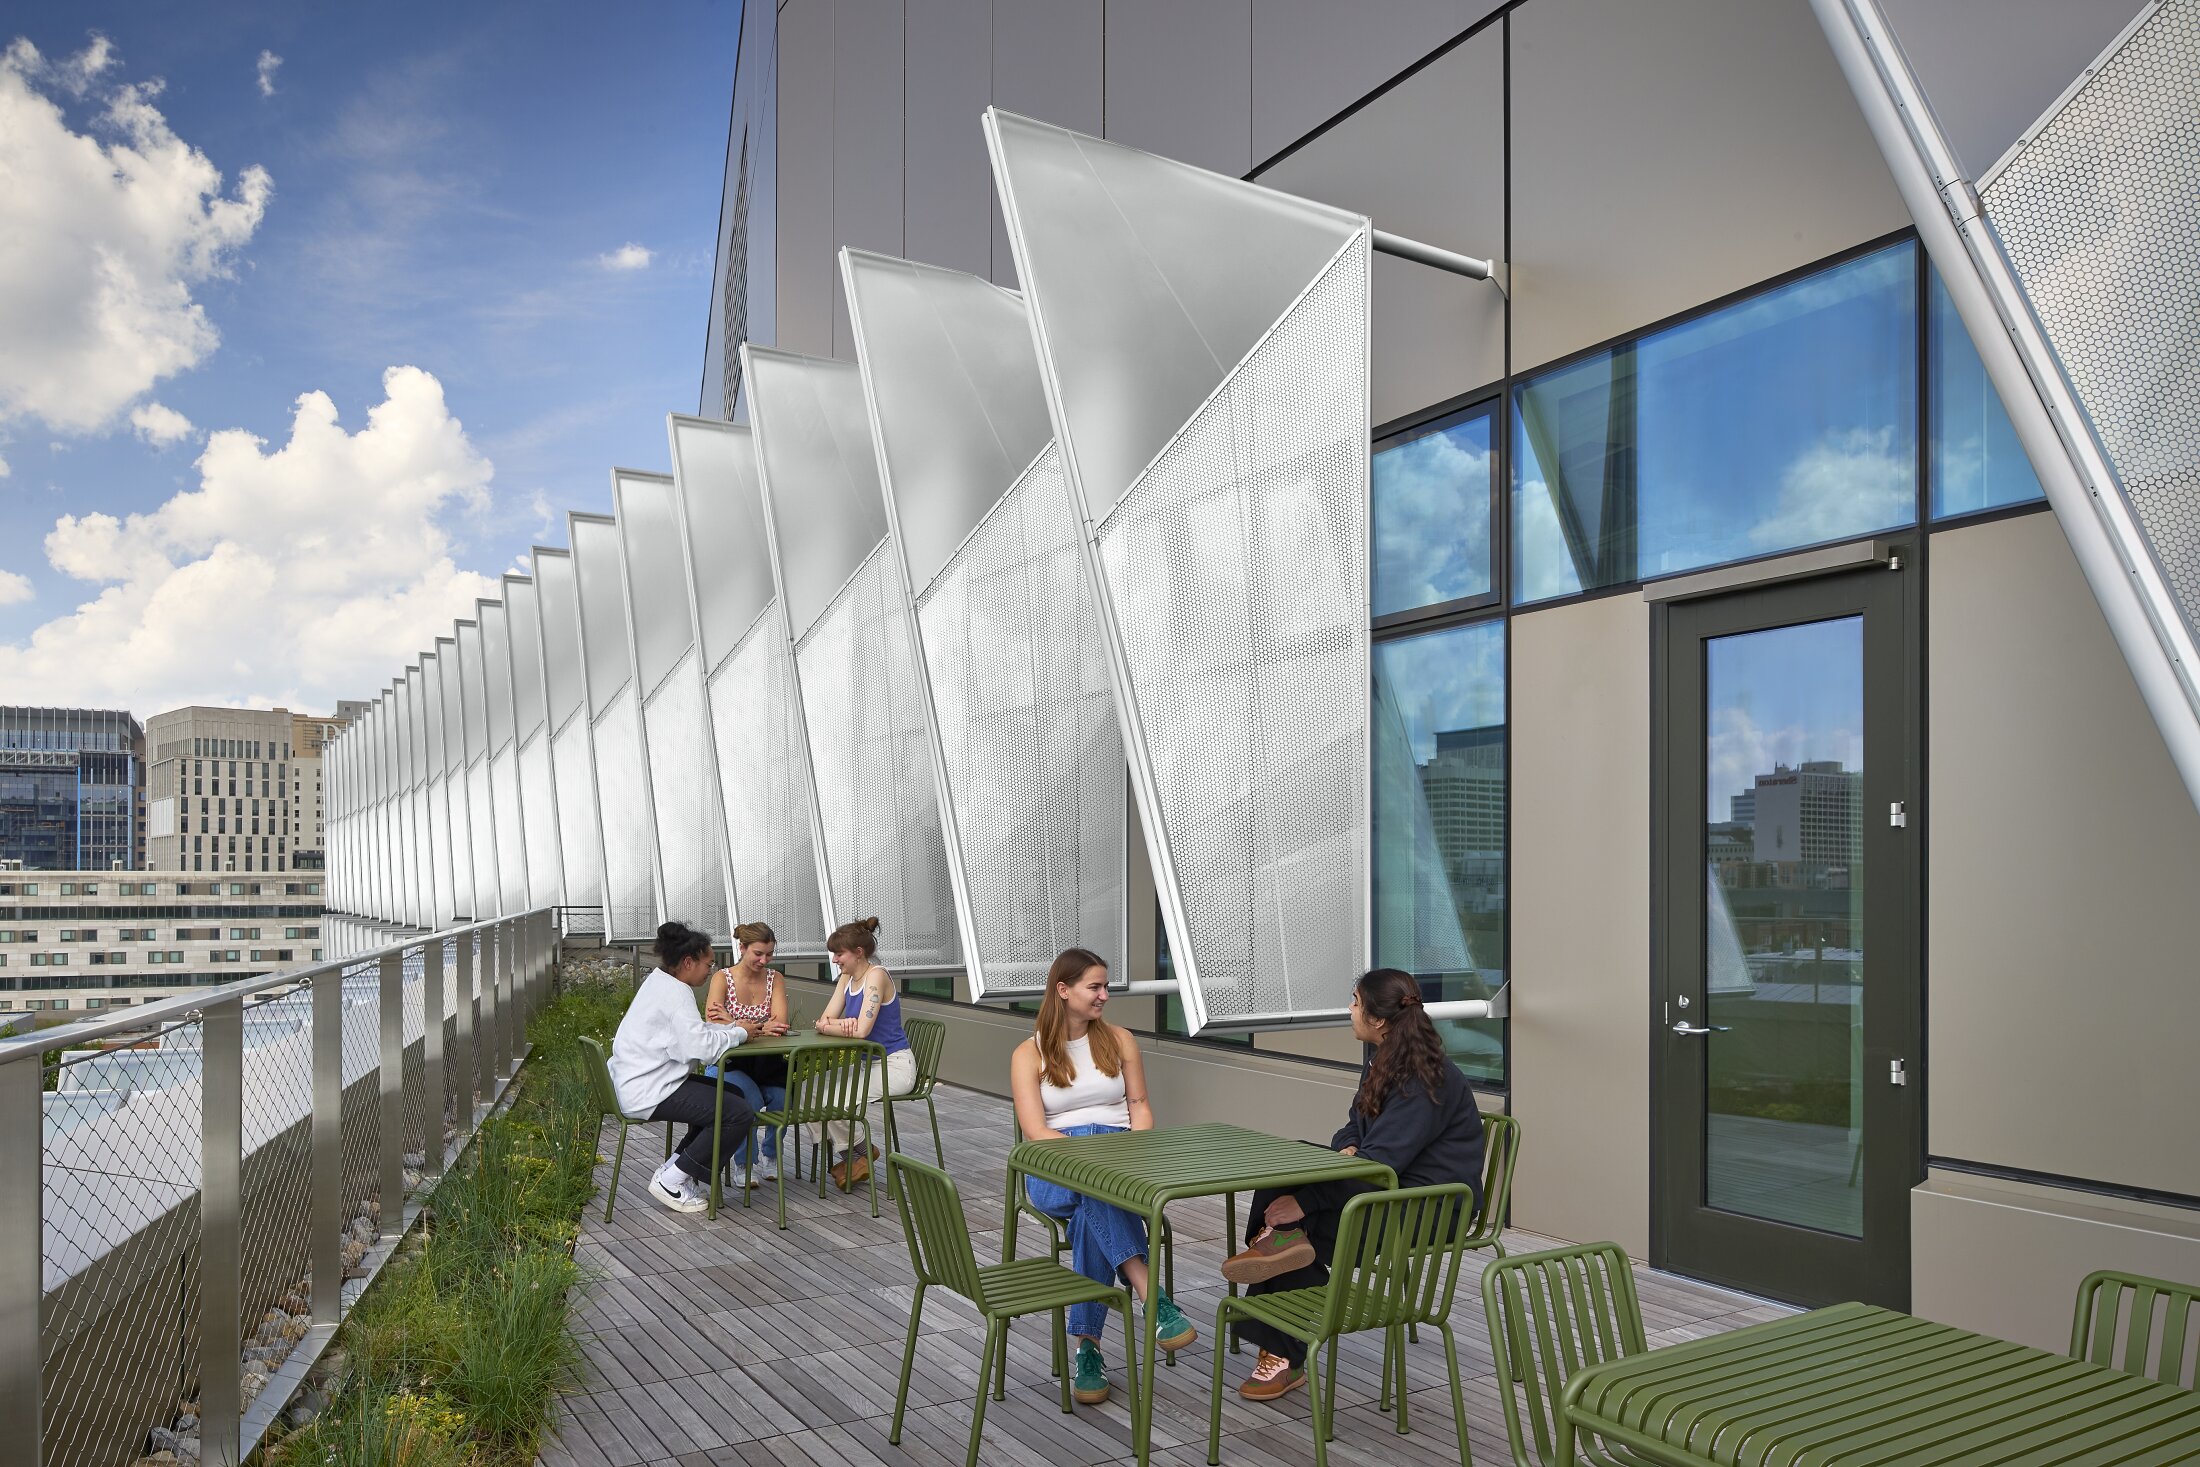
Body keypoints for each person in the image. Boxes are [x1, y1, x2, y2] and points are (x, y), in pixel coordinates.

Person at [1222, 967, 1487, 1402]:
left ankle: (1281, 1342)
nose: (1350, 1009)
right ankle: (1277, 1247)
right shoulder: (1385, 1059)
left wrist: (1306, 1203)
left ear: (1378, 1019)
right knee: (1291, 1162)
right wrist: (1347, 1151)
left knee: (1308, 1227)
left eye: (1355, 1002)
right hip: (1388, 1186)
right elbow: (1352, 1130)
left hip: (1427, 1206)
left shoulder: (1424, 1076)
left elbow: (1381, 1163)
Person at [1009, 948, 1197, 1407]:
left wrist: (1130, 1150)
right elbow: (1035, 1131)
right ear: (1063, 990)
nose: (1104, 996)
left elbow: (1139, 1109)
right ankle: (1149, 1292)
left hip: (1118, 1164)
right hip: (1055, 1170)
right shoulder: (1027, 1053)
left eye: (1105, 986)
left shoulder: (1120, 1040)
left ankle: (1088, 1351)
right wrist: (1090, 1156)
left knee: (1094, 1210)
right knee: (1097, 1187)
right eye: (1095, 987)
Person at [607, 920, 758, 1215]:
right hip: (649, 1090)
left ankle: (676, 1170)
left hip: (643, 1081)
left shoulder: (660, 981)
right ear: (688, 962)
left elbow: (687, 1037)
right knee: (738, 1112)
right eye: (708, 964)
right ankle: (672, 1179)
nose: (710, 971)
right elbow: (700, 1049)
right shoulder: (677, 994)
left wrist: (730, 1029)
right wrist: (739, 1034)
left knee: (733, 1095)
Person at [815, 917, 916, 1189]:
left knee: (832, 1099)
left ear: (858, 952)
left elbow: (860, 1031)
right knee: (807, 1092)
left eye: (839, 953)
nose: (835, 959)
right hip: (867, 1066)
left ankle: (856, 1157)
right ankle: (860, 1153)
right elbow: (822, 1021)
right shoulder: (847, 978)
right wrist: (837, 1025)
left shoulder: (877, 976)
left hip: (894, 1067)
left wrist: (833, 1026)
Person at [702, 921, 793, 1183]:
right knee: (748, 1101)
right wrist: (757, 1027)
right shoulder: (722, 977)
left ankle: (771, 1155)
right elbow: (712, 1023)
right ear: (742, 948)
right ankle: (744, 1163)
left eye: (769, 954)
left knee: (781, 1099)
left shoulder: (775, 979)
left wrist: (735, 1022)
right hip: (730, 1063)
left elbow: (781, 1024)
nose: (764, 960)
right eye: (758, 953)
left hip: (767, 1063)